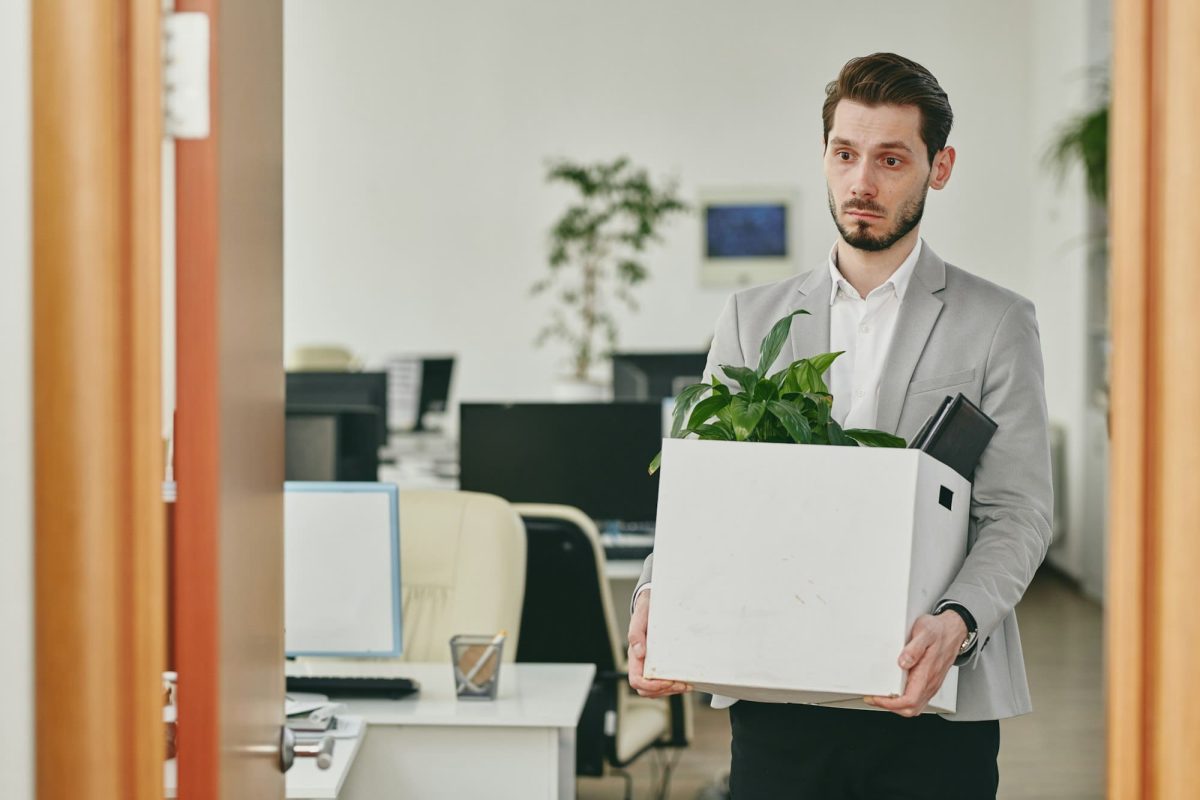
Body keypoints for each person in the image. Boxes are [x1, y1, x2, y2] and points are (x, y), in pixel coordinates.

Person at [627, 52, 1053, 800]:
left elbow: (1018, 512)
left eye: (891, 159)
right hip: (780, 692)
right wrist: (656, 596)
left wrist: (957, 622)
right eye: (845, 154)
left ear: (938, 167)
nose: (862, 182)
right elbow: (709, 490)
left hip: (932, 700)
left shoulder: (998, 323)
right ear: (824, 157)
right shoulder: (749, 317)